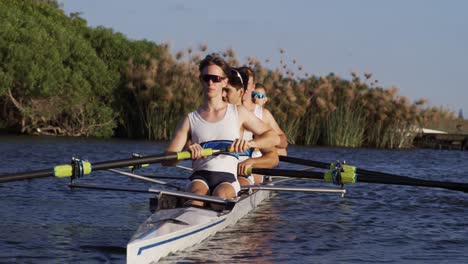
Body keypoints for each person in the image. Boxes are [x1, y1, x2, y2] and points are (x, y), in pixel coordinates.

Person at [164, 54, 279, 208]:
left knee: (220, 196)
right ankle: (192, 213)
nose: (211, 83)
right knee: (196, 195)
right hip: (199, 177)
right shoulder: (189, 119)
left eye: (216, 79)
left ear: (224, 81)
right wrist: (187, 150)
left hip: (227, 179)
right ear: (201, 80)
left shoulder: (239, 112)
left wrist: (249, 144)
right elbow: (167, 160)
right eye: (206, 78)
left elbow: (274, 138)